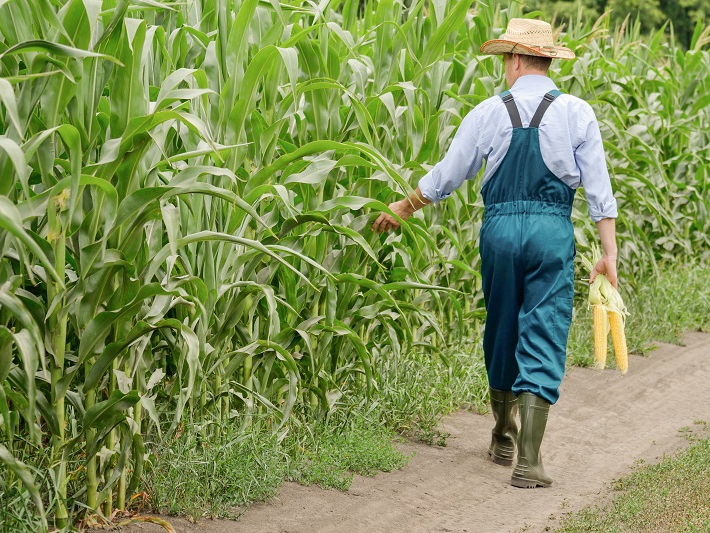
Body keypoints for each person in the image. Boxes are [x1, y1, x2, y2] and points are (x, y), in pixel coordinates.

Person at [371, 18, 618, 488]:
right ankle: (529, 461)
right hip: (551, 231)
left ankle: (502, 435)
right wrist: (608, 255)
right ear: (546, 61)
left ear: (517, 59)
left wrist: (404, 205)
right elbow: (599, 192)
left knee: (502, 325)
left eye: (506, 60)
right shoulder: (577, 112)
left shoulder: (488, 112)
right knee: (543, 330)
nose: (505, 69)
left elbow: (449, 174)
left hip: (500, 231)